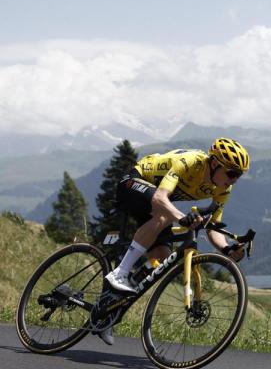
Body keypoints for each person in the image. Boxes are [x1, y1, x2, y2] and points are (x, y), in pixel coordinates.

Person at [98, 138, 251, 345]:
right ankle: (120, 273)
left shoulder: (222, 189)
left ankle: (111, 306)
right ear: (215, 163)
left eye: (239, 176)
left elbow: (213, 226)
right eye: (232, 173)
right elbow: (160, 198)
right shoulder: (190, 163)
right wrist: (182, 217)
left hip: (158, 202)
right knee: (165, 214)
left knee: (161, 258)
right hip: (134, 182)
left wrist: (227, 248)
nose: (234, 180)